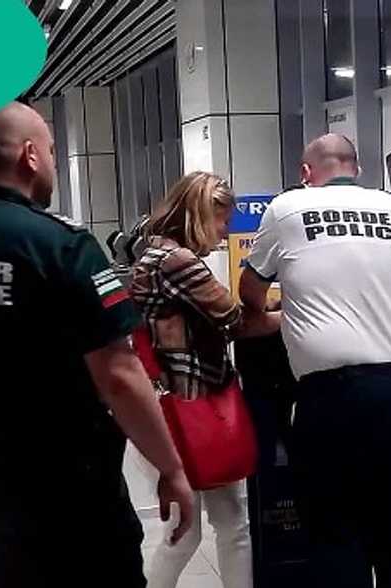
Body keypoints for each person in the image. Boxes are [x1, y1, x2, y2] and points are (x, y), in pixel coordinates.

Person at [0, 102, 194, 587]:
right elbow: (119, 375)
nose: (50, 158)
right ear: (29, 156)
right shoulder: (61, 245)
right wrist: (170, 467)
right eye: (48, 148)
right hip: (70, 498)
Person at [238, 134, 391, 587]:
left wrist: (287, 314)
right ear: (356, 167)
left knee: (334, 527)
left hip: (331, 395)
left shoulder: (286, 208)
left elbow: (250, 291)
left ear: (307, 173)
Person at [132, 171, 282, 588]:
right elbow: (233, 319)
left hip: (174, 405)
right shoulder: (178, 261)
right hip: (192, 404)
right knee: (201, 529)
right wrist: (299, 314)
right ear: (200, 213)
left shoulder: (154, 254)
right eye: (221, 220)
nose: (224, 232)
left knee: (211, 524)